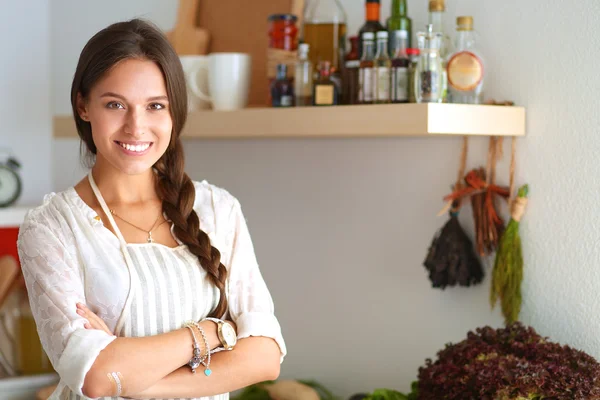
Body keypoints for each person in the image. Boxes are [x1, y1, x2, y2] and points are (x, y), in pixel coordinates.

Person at [17, 18, 286, 399]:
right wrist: (214, 332)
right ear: (83, 106)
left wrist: (142, 383)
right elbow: (96, 377)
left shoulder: (218, 210)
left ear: (174, 112)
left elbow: (265, 356)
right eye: (115, 104)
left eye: (155, 106)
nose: (136, 126)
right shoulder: (51, 228)